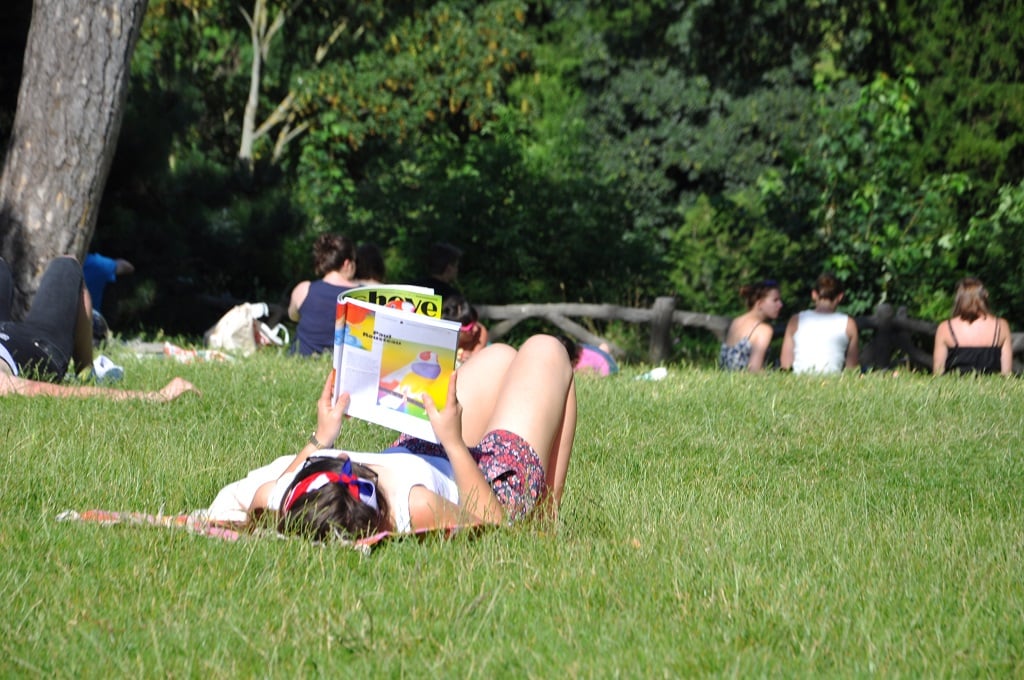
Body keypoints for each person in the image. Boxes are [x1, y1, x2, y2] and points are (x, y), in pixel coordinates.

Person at [204, 334, 577, 540]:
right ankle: (544, 528)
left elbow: (280, 486)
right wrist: (452, 440)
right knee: (547, 349)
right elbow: (492, 526)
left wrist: (322, 436)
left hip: (419, 452)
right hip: (489, 482)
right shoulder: (414, 506)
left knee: (499, 356)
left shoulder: (274, 497)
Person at [0, 256, 197, 401]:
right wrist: (157, 397)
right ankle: (86, 372)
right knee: (67, 265)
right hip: (38, 345)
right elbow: (36, 390)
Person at [289, 233, 359, 356]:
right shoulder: (362, 296)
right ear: (347, 264)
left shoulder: (303, 289)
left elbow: (293, 316)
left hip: (301, 357)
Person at [780, 273, 859, 374]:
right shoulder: (849, 324)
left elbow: (786, 364)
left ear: (814, 294)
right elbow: (852, 368)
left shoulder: (796, 320)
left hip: (799, 379)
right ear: (840, 296)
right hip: (832, 382)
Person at [932, 277, 1012, 375]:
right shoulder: (1001, 326)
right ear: (985, 296)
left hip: (955, 388)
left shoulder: (945, 328)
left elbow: (938, 372)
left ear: (959, 299)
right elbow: (1007, 374)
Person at [719, 280, 783, 372]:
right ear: (760, 303)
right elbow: (754, 370)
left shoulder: (736, 322)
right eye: (775, 300)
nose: (780, 305)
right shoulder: (764, 330)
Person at [442, 294, 489, 365]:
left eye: (475, 321)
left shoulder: (480, 333)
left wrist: (473, 357)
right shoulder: (442, 341)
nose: (476, 329)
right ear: (453, 330)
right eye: (470, 327)